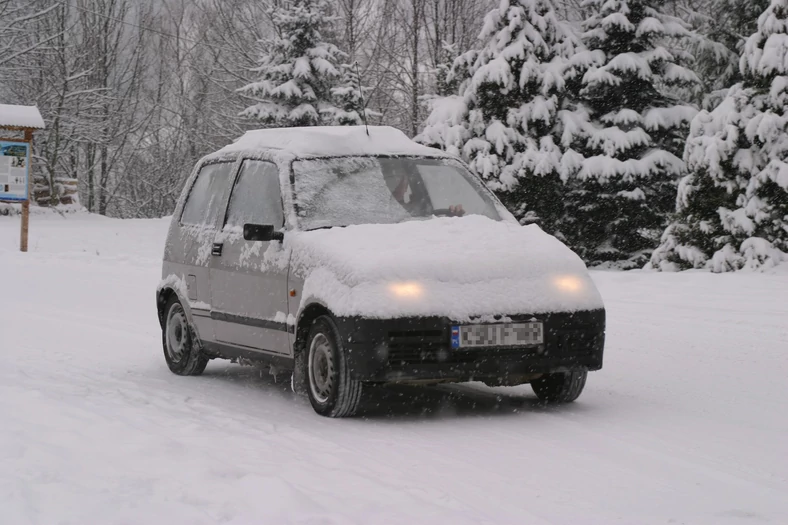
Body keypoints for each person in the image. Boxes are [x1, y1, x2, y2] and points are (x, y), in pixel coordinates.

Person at [387, 168, 465, 217]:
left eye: (401, 178)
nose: (396, 183)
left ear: (406, 184)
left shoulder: (418, 209)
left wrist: (452, 218)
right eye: (391, 178)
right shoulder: (378, 212)